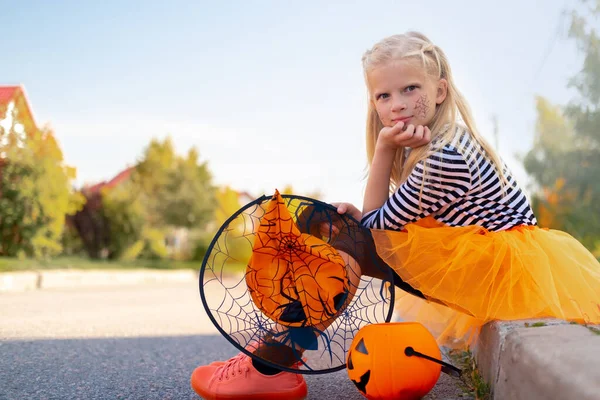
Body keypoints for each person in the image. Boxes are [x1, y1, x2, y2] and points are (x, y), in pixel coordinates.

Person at [190, 31, 600, 399]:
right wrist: (361, 215)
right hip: (487, 258)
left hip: (499, 268)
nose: (397, 105)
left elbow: (376, 227)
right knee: (334, 227)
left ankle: (271, 366)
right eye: (383, 96)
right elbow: (381, 221)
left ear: (440, 91)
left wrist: (384, 150)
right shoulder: (437, 139)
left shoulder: (445, 156)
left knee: (347, 238)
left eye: (410, 89)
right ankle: (278, 359)